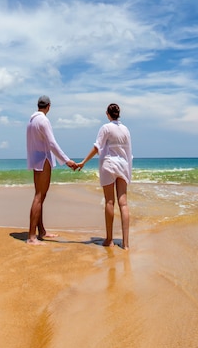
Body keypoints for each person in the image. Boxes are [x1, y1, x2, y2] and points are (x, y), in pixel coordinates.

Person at [78, 103, 132, 250]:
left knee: (109, 202)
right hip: (123, 166)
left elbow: (97, 147)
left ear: (107, 114)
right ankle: (126, 244)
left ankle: (109, 239)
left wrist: (83, 162)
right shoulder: (126, 130)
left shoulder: (106, 128)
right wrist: (128, 172)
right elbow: (129, 152)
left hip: (109, 165)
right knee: (124, 204)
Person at [26, 95, 77, 245]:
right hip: (43, 159)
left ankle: (41, 231)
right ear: (49, 106)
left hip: (36, 159)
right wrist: (66, 160)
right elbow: (52, 143)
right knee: (39, 196)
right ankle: (31, 236)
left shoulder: (32, 120)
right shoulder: (43, 120)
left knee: (40, 196)